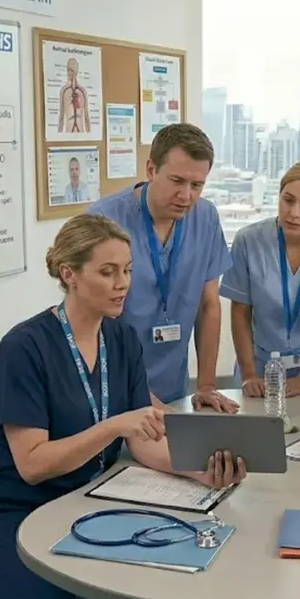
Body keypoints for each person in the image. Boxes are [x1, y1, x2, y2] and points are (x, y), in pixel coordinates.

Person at [0, 214, 246, 599]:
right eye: (107, 272)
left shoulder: (121, 338)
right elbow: (33, 466)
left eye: (126, 270)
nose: (122, 283)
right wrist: (113, 426)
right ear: (69, 274)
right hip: (6, 514)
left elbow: (144, 440)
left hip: (86, 499)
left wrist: (199, 471)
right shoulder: (24, 348)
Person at [87, 123, 238, 413]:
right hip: (112, 387)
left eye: (197, 185)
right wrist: (139, 396)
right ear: (151, 170)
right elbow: (91, 322)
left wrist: (206, 386)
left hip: (173, 387)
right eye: (177, 181)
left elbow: (209, 307)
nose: (186, 195)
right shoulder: (104, 220)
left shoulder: (205, 218)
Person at [219, 160, 300, 398]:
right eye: (288, 200)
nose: (294, 213)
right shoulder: (249, 241)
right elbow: (240, 313)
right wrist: (248, 374)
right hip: (257, 366)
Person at [58, 57, 90, 133]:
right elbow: (61, 116)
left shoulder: (82, 91)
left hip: (80, 129)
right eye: (68, 70)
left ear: (76, 71)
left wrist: (89, 135)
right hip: (69, 129)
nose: (70, 73)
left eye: (72, 70)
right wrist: (58, 135)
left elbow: (86, 116)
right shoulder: (64, 91)